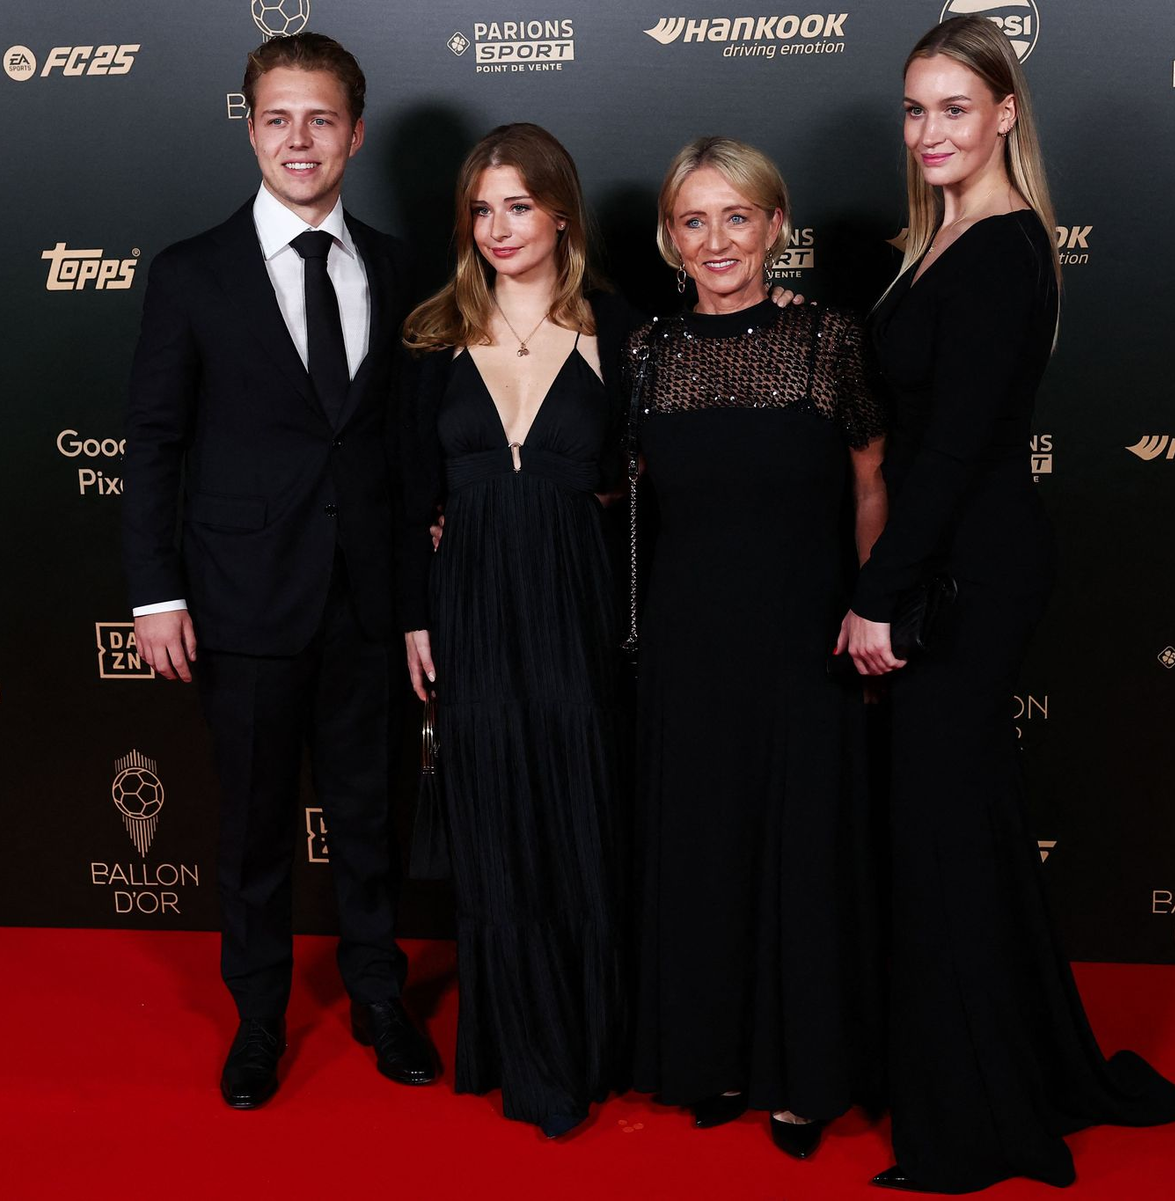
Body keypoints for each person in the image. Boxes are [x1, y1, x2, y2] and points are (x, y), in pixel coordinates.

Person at [841, 16, 1175, 1192]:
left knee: (943, 836)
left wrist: (881, 598)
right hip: (952, 561)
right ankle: (1018, 1064)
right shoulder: (942, 239)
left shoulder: (1002, 248)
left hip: (967, 574)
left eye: (954, 106)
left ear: (1004, 114)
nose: (930, 129)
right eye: (914, 108)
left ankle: (978, 1112)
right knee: (965, 831)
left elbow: (953, 454)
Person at [122, 32, 435, 1109]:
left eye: (320, 119)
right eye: (277, 118)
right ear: (249, 126)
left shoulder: (400, 268)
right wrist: (155, 591)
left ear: (355, 130)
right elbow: (154, 441)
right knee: (253, 825)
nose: (299, 140)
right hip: (241, 599)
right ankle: (257, 1018)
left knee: (371, 814)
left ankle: (379, 995)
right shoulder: (192, 273)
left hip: (370, 600)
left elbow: (405, 444)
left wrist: (418, 601)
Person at [628, 136, 889, 1160]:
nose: (717, 240)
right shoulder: (651, 351)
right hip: (689, 647)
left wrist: (873, 609)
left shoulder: (831, 341)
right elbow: (620, 490)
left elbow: (872, 483)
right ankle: (712, 1057)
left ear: (777, 226)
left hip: (804, 640)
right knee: (704, 852)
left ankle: (802, 1076)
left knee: (801, 859)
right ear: (670, 238)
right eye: (694, 220)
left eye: (737, 216)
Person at [398, 123, 639, 1138]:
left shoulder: (623, 331)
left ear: (561, 213)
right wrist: (416, 609)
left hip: (579, 606)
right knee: (496, 819)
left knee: (580, 813)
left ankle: (595, 1041)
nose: (499, 226)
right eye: (482, 208)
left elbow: (652, 483)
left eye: (518, 205)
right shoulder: (429, 334)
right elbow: (400, 494)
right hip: (471, 606)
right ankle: (522, 1050)